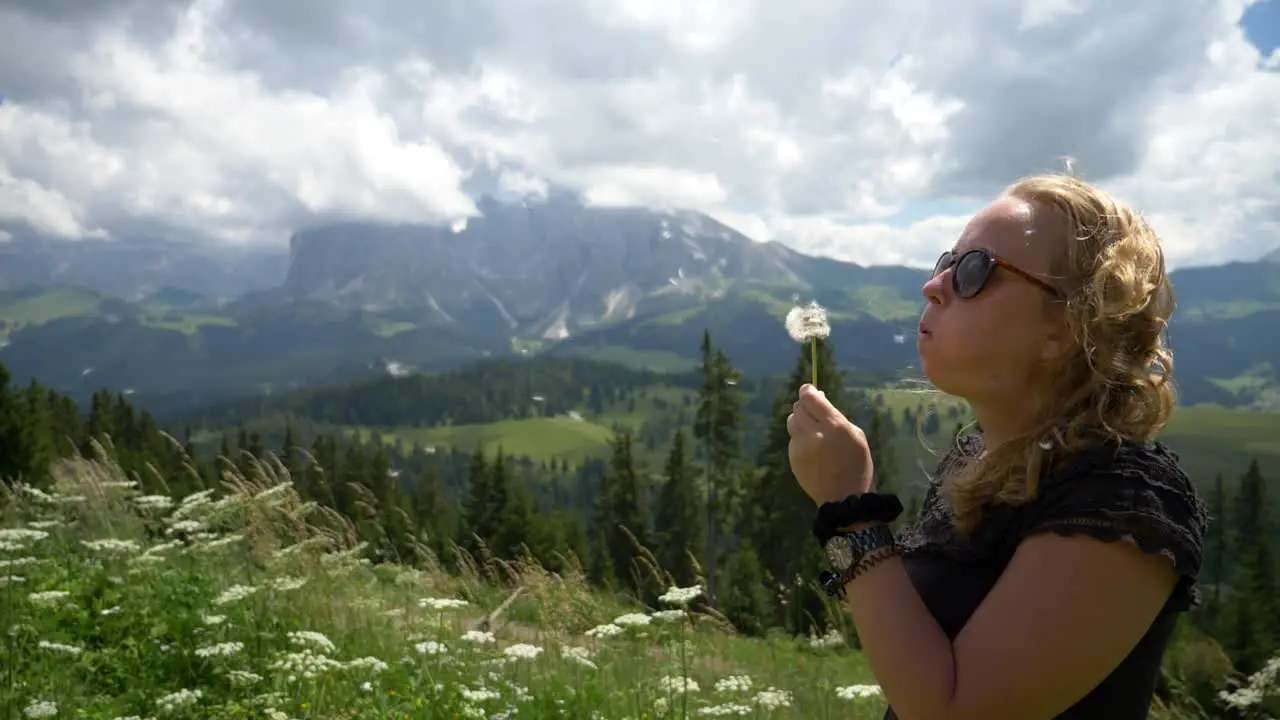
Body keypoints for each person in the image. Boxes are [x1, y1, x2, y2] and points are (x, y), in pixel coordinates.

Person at [787, 172, 1209, 720]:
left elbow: (954, 710)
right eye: (946, 261)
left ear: (1068, 324)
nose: (933, 285)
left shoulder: (1122, 503)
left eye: (974, 270)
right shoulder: (979, 465)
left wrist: (850, 511)